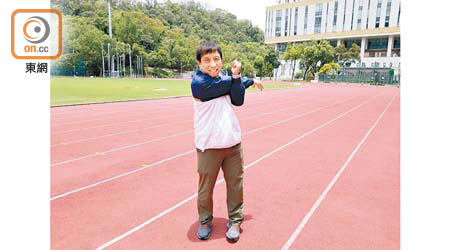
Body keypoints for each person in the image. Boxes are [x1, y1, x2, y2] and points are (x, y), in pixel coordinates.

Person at [191, 41, 263, 242]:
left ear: (222, 61)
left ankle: (235, 220)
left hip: (232, 144)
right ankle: (205, 220)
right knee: (206, 188)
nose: (212, 64)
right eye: (207, 60)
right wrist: (240, 79)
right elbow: (223, 85)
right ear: (199, 63)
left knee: (235, 185)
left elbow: (238, 100)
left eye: (216, 59)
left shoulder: (226, 79)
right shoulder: (199, 83)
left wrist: (239, 79)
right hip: (209, 146)